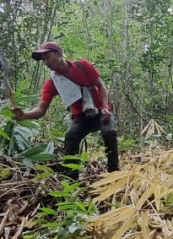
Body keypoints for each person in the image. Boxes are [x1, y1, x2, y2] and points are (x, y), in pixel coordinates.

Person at [12, 42, 119, 175]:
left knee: (109, 132)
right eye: (43, 60)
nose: (46, 62)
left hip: (101, 110)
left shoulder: (83, 66)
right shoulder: (53, 82)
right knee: (71, 136)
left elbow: (101, 86)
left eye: (48, 57)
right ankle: (71, 177)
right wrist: (24, 115)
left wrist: (105, 107)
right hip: (80, 116)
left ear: (59, 53)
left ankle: (114, 171)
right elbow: (41, 109)